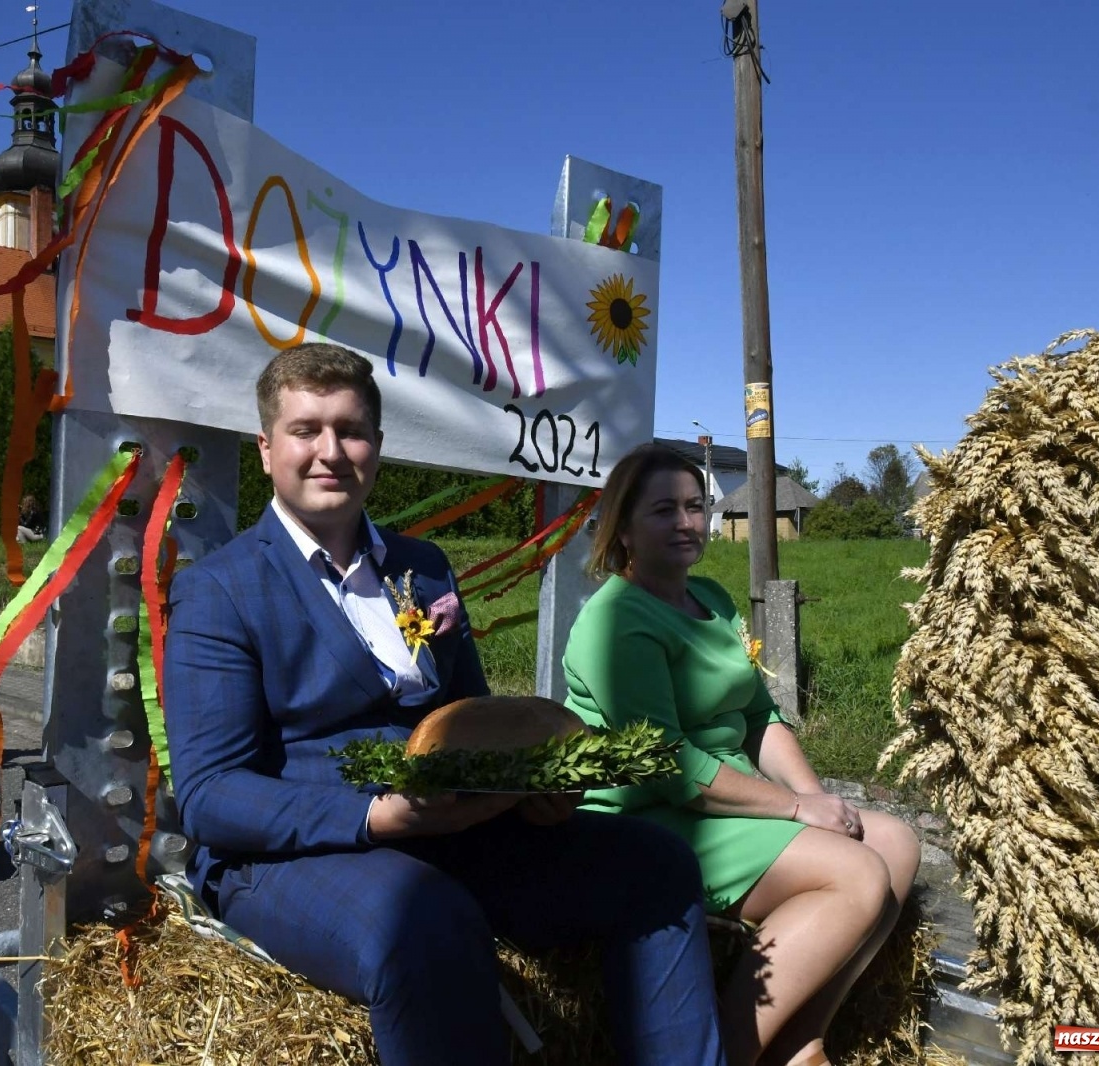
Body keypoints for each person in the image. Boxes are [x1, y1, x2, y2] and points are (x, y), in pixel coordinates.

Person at [163, 343, 724, 1066]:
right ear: (267, 449)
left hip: (449, 829)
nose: (331, 451)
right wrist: (374, 816)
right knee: (426, 920)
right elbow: (211, 796)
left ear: (378, 447)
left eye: (352, 430)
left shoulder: (422, 566)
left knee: (657, 864)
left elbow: (473, 719)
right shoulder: (220, 589)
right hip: (290, 856)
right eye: (306, 430)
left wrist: (530, 788)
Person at [561, 443, 922, 1066]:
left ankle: (802, 1040)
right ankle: (731, 1051)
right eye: (663, 509)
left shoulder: (710, 598)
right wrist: (790, 809)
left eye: (696, 506)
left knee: (895, 845)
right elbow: (669, 765)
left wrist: (815, 799)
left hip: (722, 801)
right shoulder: (616, 620)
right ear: (621, 527)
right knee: (858, 872)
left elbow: (760, 716)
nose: (686, 522)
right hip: (653, 818)